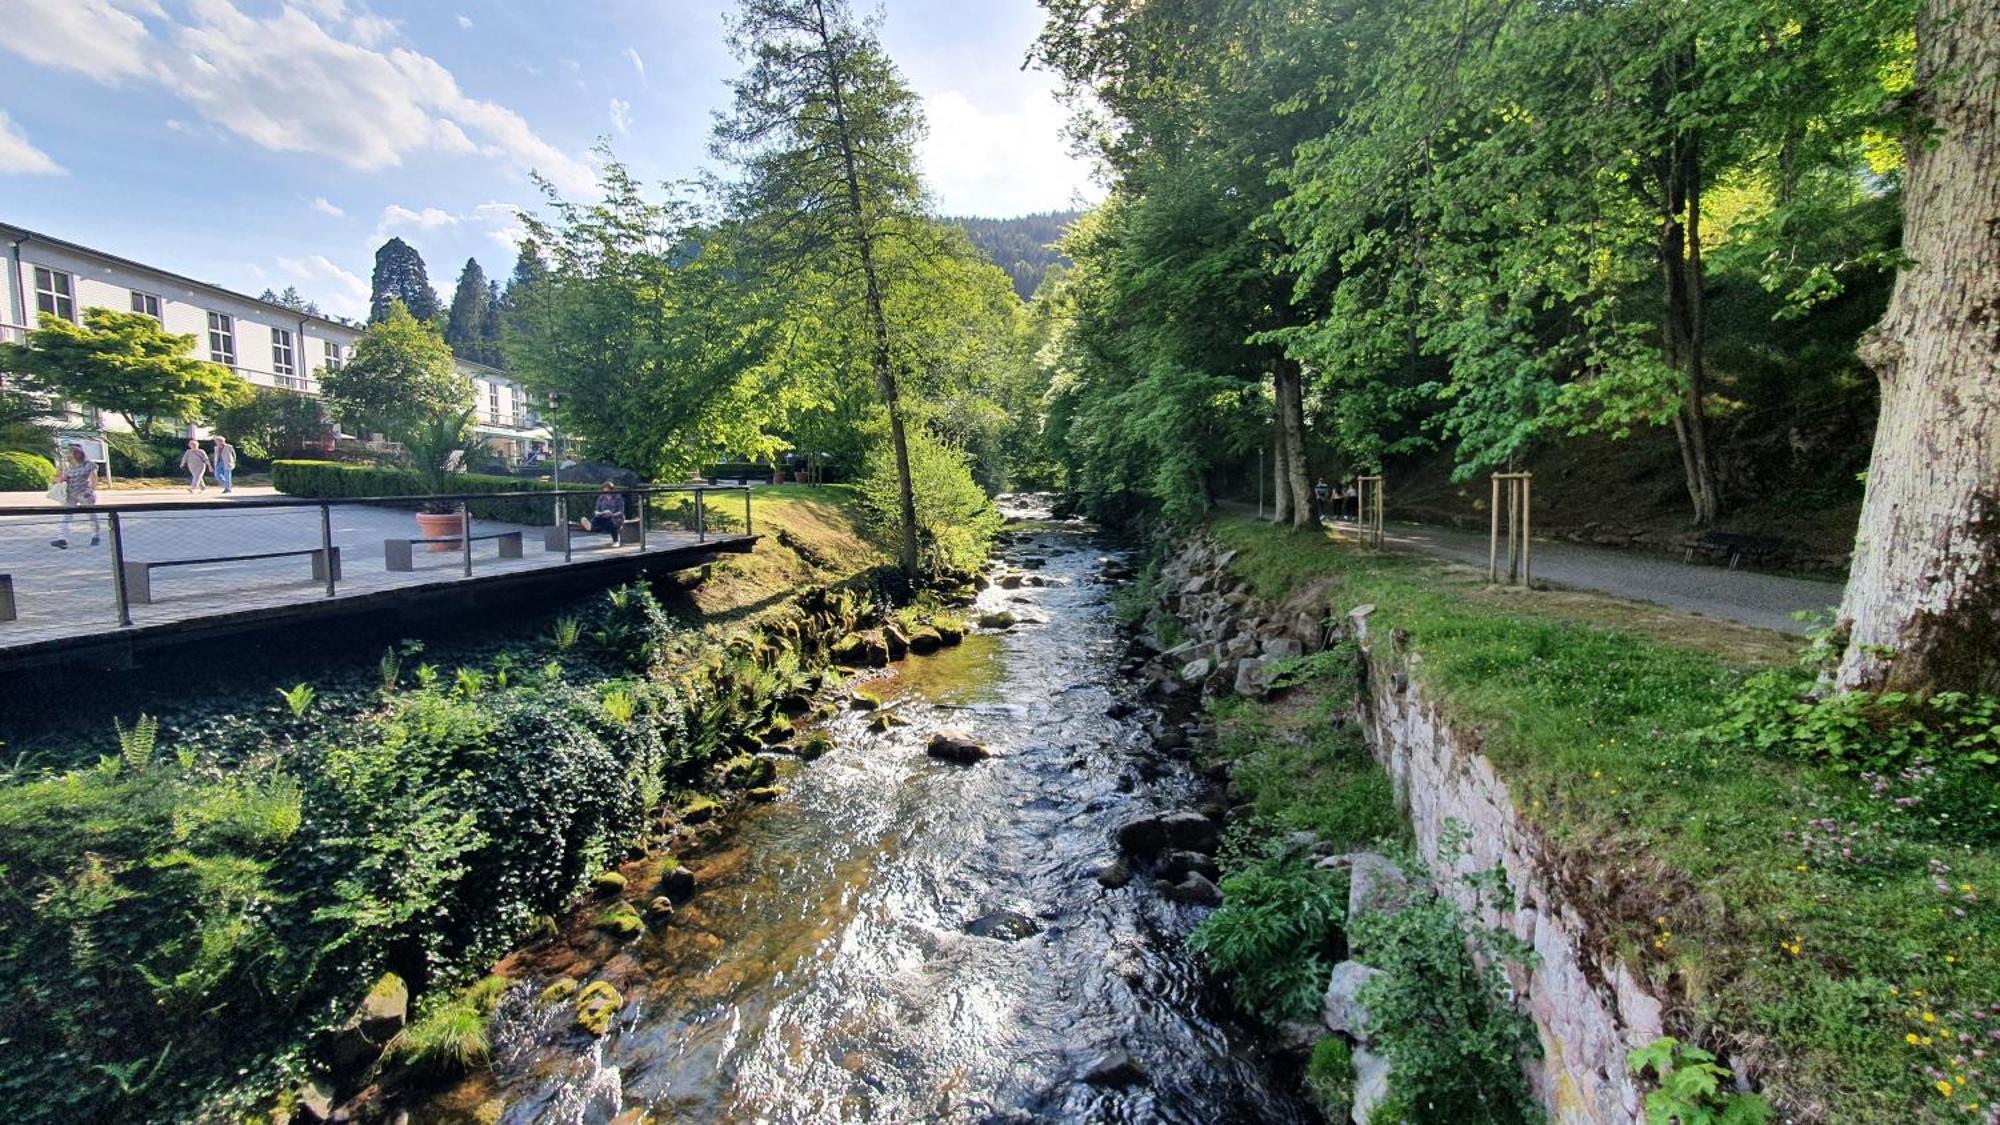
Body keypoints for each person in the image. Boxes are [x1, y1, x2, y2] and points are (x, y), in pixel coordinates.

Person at [50, 444, 100, 549]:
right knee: (66, 516)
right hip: (70, 493)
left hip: (84, 493)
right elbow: (58, 479)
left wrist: (90, 490)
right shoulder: (67, 466)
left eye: (77, 452)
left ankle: (95, 535)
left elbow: (94, 478)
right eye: (72, 452)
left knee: (91, 515)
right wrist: (60, 474)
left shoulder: (89, 465)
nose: (74, 454)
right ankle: (62, 539)